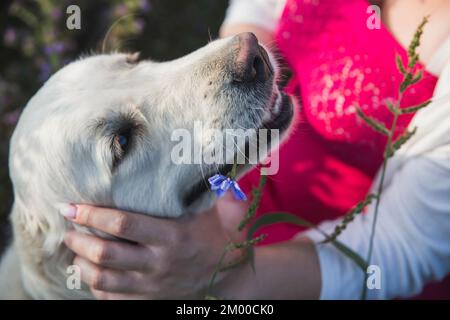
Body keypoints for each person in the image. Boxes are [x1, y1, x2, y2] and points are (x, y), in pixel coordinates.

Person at [60, 0, 450, 299]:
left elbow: (403, 242)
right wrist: (228, 186)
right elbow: (253, 18)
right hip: (235, 198)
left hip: (322, 269)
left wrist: (224, 273)